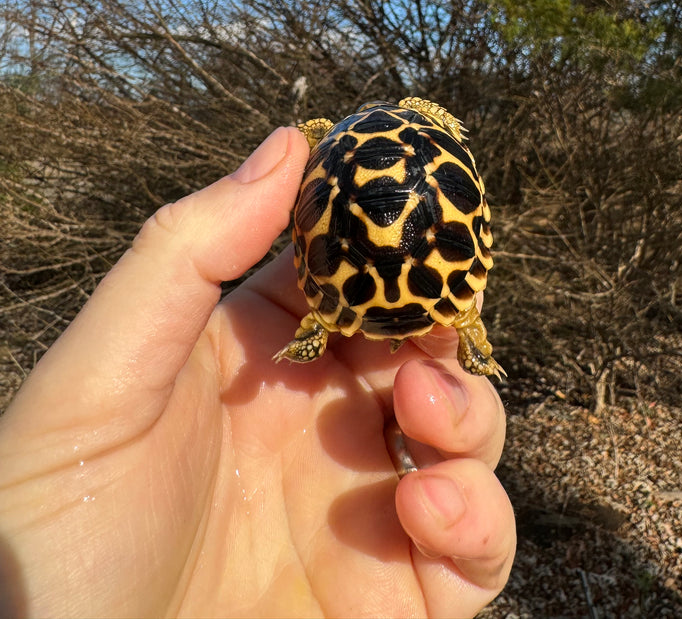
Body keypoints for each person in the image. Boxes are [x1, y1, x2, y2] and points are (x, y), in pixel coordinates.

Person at [0, 126, 515, 618]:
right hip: (438, 284)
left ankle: (318, 327)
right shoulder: (425, 133)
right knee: (458, 330)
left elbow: (315, 136)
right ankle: (469, 335)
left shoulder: (329, 145)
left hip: (342, 295)